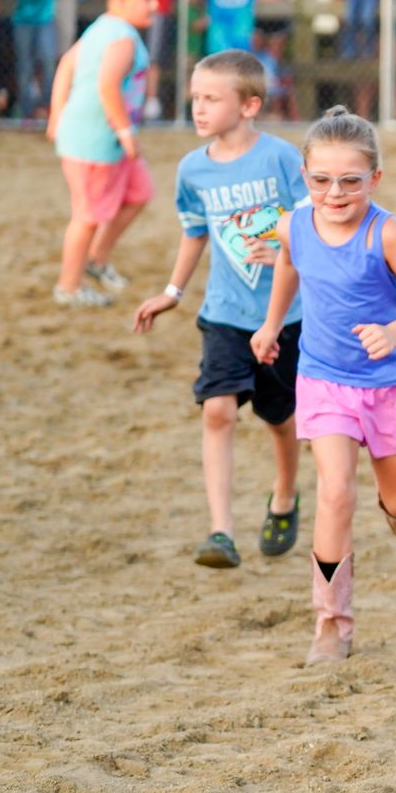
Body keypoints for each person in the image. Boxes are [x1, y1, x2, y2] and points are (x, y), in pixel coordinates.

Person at [251, 108, 396, 664]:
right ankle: (331, 623)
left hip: (390, 385)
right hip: (323, 378)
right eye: (321, 180)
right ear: (304, 176)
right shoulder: (293, 224)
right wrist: (271, 324)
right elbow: (289, 265)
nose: (334, 193)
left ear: (375, 179)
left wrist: (395, 332)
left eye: (350, 181)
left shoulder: (386, 233)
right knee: (335, 492)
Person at [131, 50, 308, 569]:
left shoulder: (280, 158)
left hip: (285, 316)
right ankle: (220, 531)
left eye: (212, 98)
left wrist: (286, 253)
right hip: (225, 314)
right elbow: (195, 232)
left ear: (249, 105)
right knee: (217, 410)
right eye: (195, 98)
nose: (199, 108)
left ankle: (285, 494)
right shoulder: (193, 169)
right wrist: (173, 291)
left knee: (280, 418)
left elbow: (311, 224)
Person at [46, 0, 158, 307]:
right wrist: (125, 132)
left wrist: (56, 114)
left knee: (140, 192)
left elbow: (67, 64)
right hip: (95, 142)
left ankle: (96, 260)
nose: (155, 4)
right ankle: (69, 287)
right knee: (87, 217)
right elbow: (107, 85)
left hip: (107, 141)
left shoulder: (104, 27)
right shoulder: (120, 37)